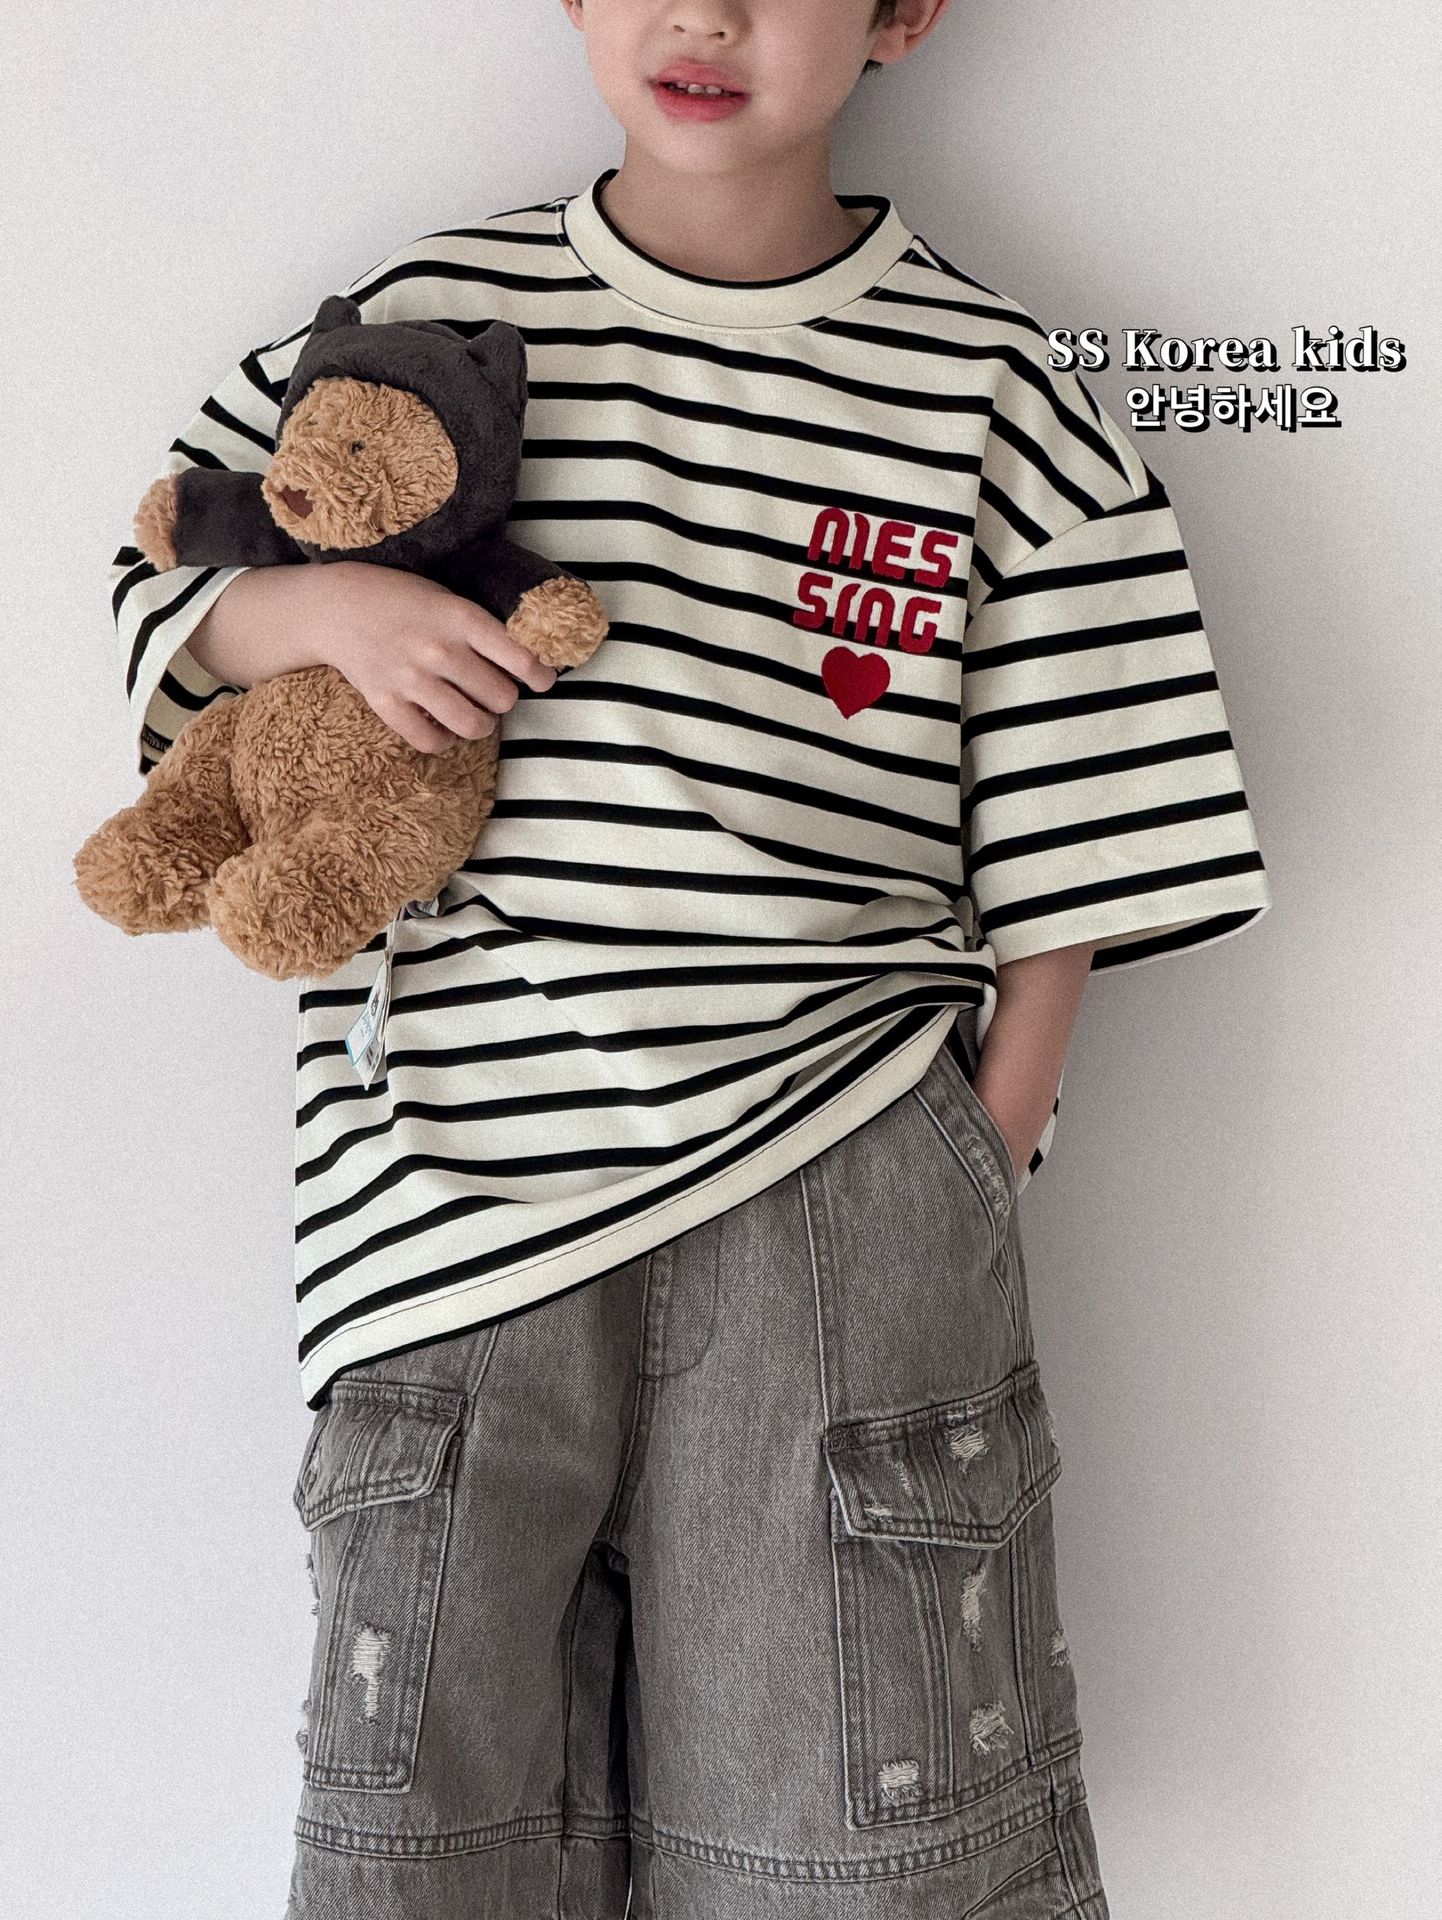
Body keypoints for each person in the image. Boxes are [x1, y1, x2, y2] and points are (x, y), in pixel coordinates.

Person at [105, 3, 1271, 1914]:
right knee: (436, 1850)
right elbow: (173, 576)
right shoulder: (426, 319)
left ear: (900, 14)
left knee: (853, 1850)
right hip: (448, 1194)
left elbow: (1079, 830)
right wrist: (326, 614)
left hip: (840, 1186)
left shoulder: (991, 392)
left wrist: (977, 1152)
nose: (705, 14)